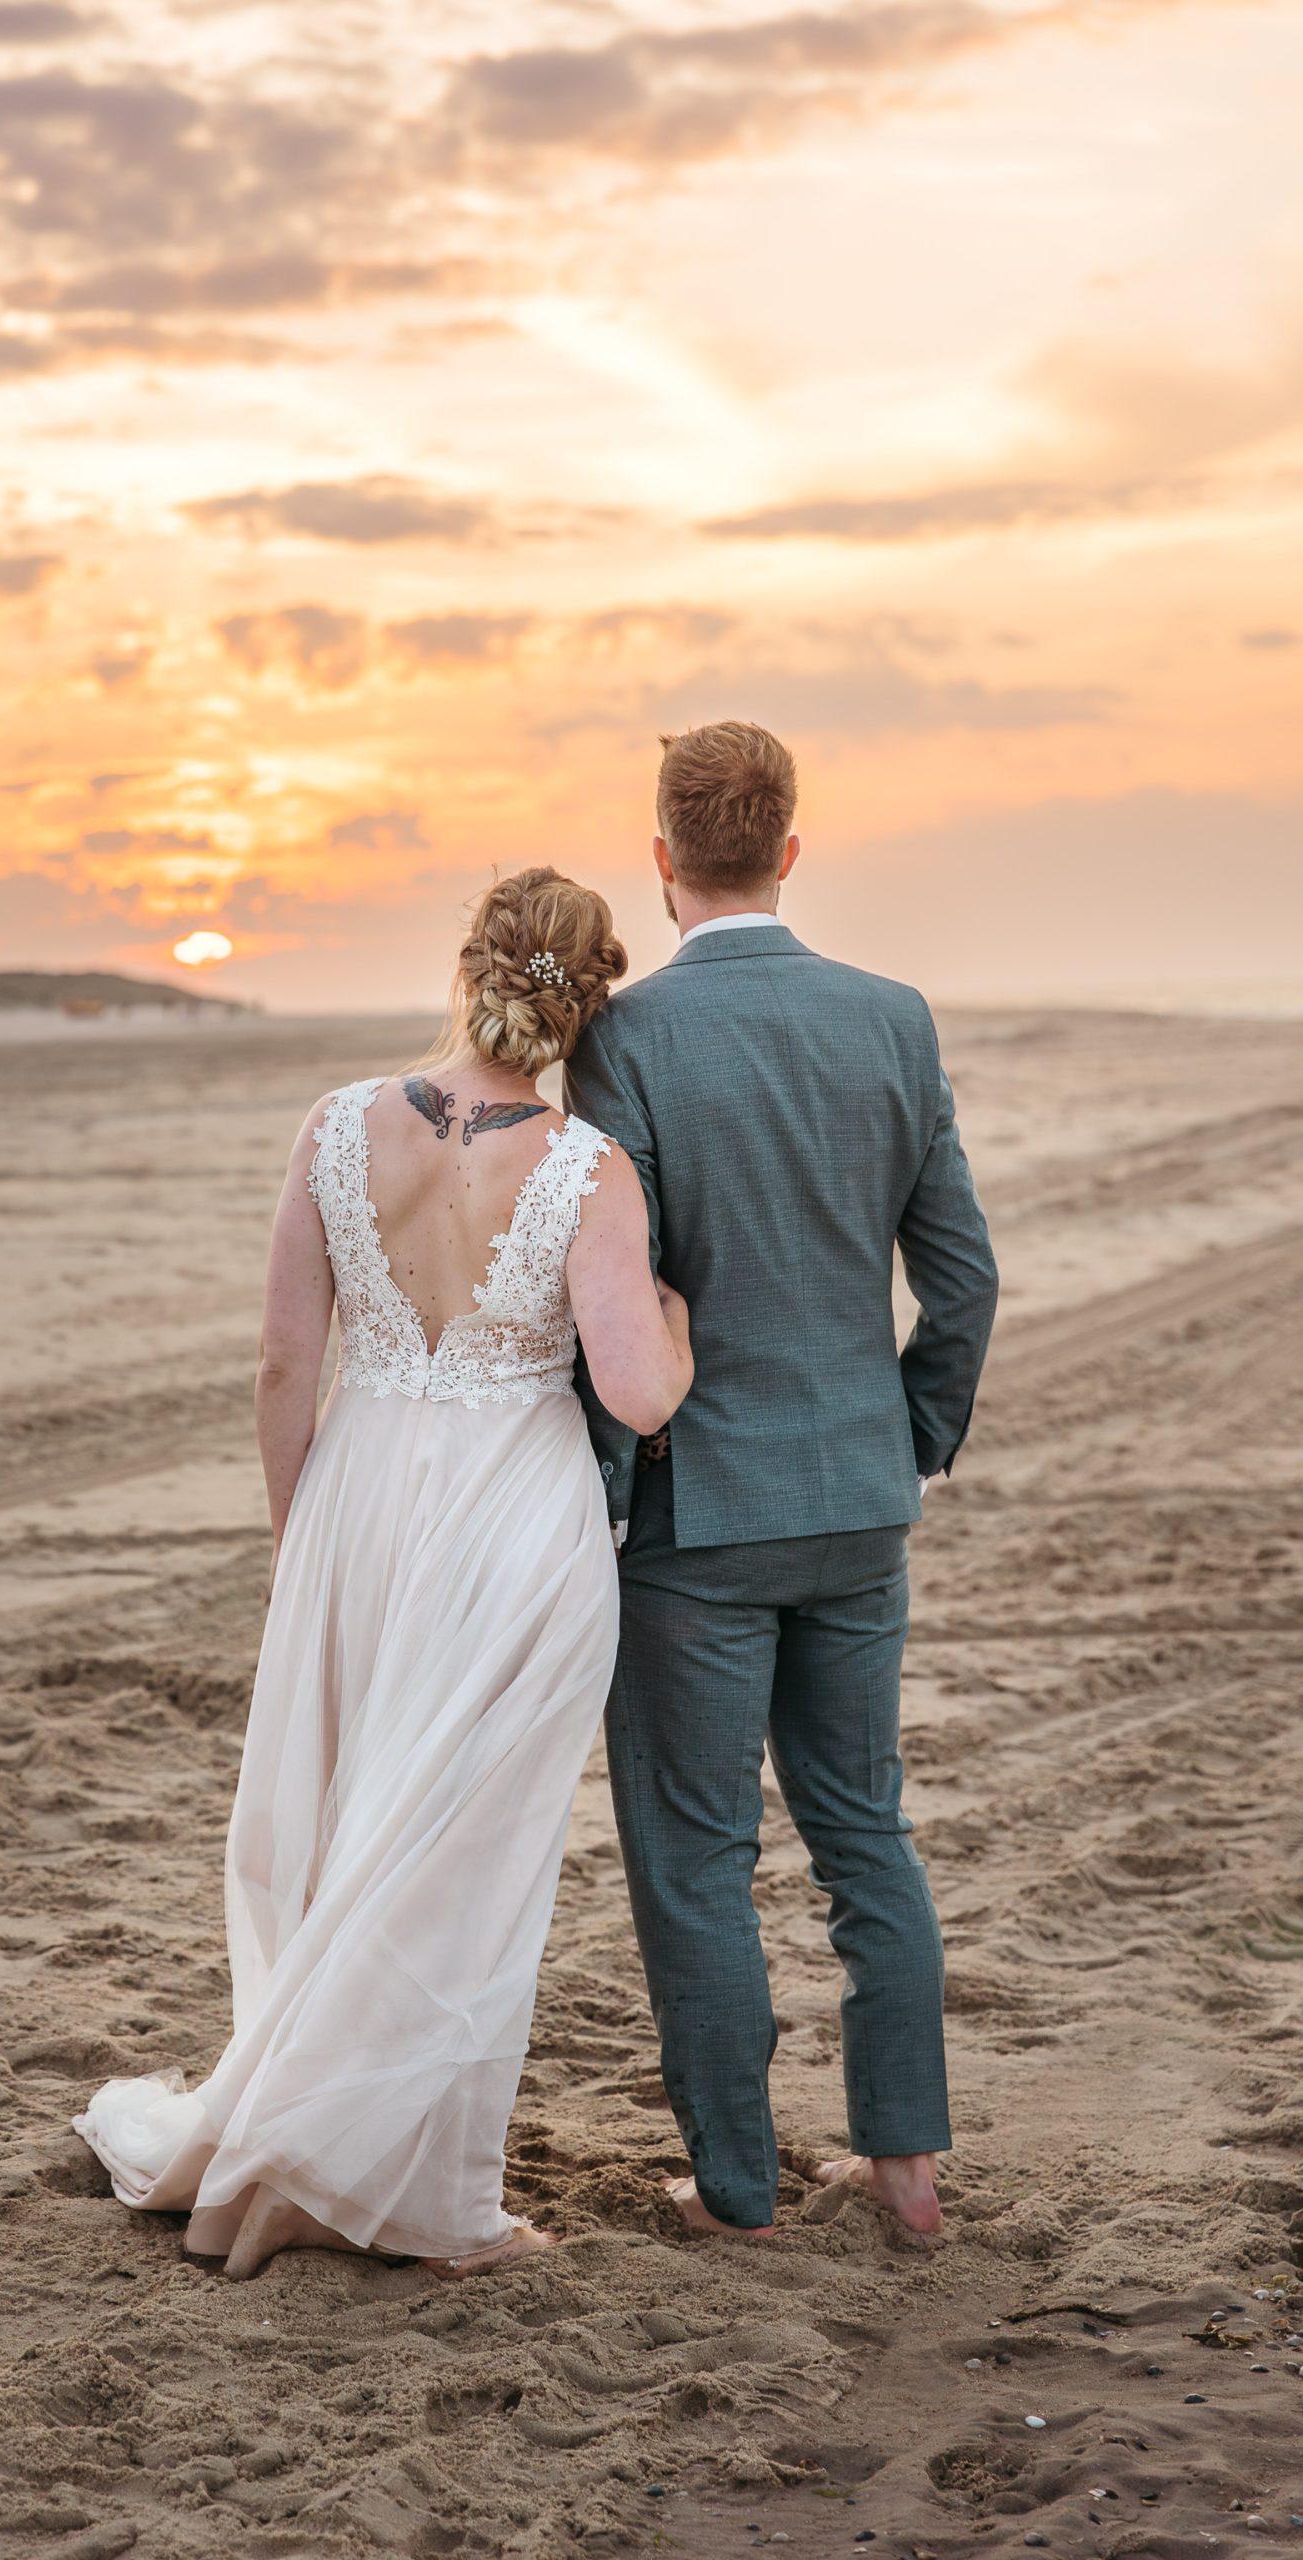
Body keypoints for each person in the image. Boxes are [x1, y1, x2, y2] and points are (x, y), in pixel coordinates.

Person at [73, 868, 693, 2278]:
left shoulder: (337, 1125)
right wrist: (672, 1316)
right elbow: (641, 1395)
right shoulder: (590, 1168)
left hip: (358, 1497)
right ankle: (424, 2195)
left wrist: (306, 1542)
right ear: (590, 999)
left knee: (353, 1809)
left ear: (467, 964)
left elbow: (288, 1362)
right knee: (467, 1852)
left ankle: (320, 2125)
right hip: (510, 1521)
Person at [565, 719, 999, 2241]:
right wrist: (910, 1439)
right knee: (863, 1828)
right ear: (792, 850)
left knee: (697, 1855)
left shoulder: (624, 1041)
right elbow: (962, 1282)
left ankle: (737, 2188)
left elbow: (615, 1298)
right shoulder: (894, 1018)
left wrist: (611, 1488)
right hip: (859, 1499)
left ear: (665, 857)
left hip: (698, 1518)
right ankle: (908, 2174)